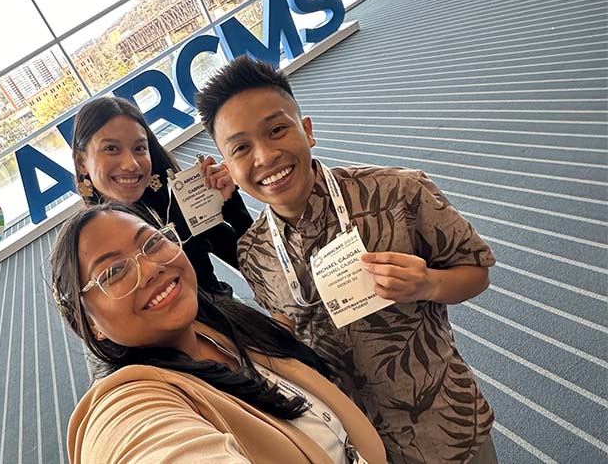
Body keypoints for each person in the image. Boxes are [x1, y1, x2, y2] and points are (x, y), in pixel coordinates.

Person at [195, 56, 498, 464]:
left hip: (444, 424)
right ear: (230, 167)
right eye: (241, 148)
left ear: (307, 131)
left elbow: (477, 271)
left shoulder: (398, 193)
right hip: (354, 447)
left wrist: (430, 283)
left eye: (277, 130)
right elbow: (291, 331)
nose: (265, 156)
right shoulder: (254, 252)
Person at [50, 202, 387, 463]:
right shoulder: (126, 405)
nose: (151, 268)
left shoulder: (221, 323)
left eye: (151, 243)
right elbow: (144, 443)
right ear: (90, 323)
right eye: (114, 272)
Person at [70, 95, 253, 299]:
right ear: (81, 162)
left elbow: (256, 263)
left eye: (139, 148)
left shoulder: (174, 204)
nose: (131, 164)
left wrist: (229, 203)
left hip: (232, 320)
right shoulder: (86, 249)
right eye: (111, 149)